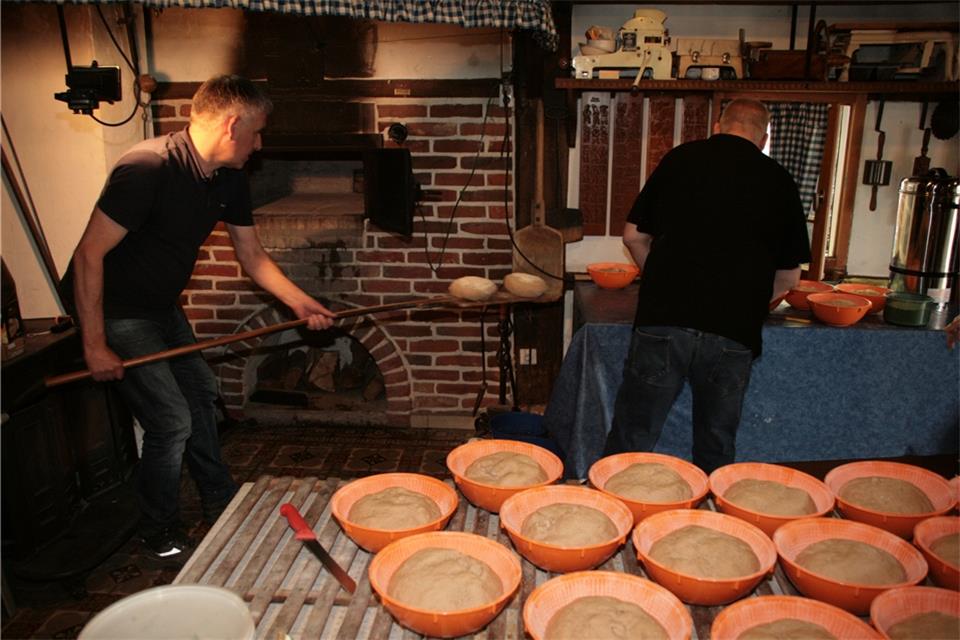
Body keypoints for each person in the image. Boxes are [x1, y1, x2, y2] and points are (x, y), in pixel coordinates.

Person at [62, 75, 335, 558]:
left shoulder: (228, 177)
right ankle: (159, 529)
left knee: (202, 398)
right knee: (170, 420)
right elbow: (88, 256)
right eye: (256, 132)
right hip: (118, 311)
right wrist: (94, 343)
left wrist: (299, 301)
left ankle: (216, 497)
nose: (260, 144)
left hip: (161, 309)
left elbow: (251, 256)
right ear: (232, 126)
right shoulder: (146, 168)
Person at [602, 98, 811, 474]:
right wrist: (748, 304)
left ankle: (609, 520)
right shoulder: (779, 180)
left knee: (633, 435)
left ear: (718, 125)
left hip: (664, 321)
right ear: (763, 138)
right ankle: (713, 521)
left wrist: (661, 282)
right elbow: (789, 277)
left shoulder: (679, 159)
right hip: (732, 333)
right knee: (715, 443)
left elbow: (633, 236)